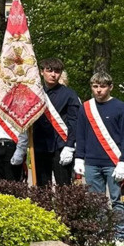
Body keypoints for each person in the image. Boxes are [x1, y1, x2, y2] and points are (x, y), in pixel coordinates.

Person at [75, 71, 124, 246]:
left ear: (111, 87)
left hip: (114, 163)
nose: (99, 90)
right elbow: (81, 135)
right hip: (92, 163)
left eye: (102, 86)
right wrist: (79, 158)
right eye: (95, 86)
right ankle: (100, 233)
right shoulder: (85, 108)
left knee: (118, 201)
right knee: (96, 201)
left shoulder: (122, 108)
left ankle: (120, 236)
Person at [32, 57, 81, 186]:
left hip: (61, 146)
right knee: (42, 187)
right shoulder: (34, 93)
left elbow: (74, 123)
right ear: (42, 72)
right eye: (49, 70)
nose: (53, 74)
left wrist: (70, 146)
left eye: (57, 71)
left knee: (64, 186)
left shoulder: (70, 95)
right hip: (39, 145)